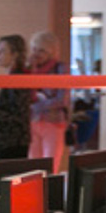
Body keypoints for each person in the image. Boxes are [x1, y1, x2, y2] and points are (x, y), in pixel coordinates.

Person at [26, 31, 70, 173]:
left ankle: (49, 188)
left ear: (51, 52)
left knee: (51, 166)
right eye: (34, 49)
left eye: (41, 51)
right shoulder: (28, 69)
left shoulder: (60, 68)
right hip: (31, 122)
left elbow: (62, 99)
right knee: (33, 167)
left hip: (53, 123)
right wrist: (29, 68)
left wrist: (36, 106)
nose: (36, 54)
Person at [0, 34, 32, 161]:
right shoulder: (13, 77)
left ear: (14, 54)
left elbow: (17, 113)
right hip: (9, 139)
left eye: (2, 51)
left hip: (13, 140)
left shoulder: (18, 79)